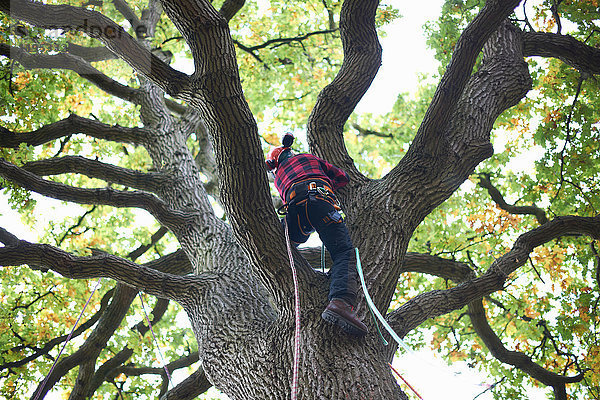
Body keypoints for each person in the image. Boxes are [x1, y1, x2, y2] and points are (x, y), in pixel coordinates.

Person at [266, 133, 368, 337]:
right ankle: (340, 302)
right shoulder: (307, 158)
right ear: (289, 152)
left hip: (295, 211)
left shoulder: (278, 178)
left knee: (291, 240)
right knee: (343, 252)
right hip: (320, 203)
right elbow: (342, 177)